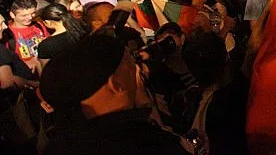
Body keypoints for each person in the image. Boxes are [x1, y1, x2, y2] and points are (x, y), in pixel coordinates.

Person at [39, 34, 190, 155]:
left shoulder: (59, 145)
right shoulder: (152, 145)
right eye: (131, 63)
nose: (138, 69)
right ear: (116, 84)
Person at [4, 0, 48, 76]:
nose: (30, 17)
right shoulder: (7, 35)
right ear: (12, 15)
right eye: (24, 15)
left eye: (32, 13)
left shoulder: (38, 25)